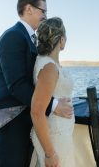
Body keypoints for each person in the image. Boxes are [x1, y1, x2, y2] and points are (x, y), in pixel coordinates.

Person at [0, 0, 73, 167]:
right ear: (29, 9)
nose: (45, 16)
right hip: (9, 125)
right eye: (44, 11)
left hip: (25, 122)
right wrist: (54, 105)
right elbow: (17, 85)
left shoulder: (27, 38)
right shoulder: (12, 37)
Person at [30, 17, 75, 167]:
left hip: (61, 133)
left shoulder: (47, 62)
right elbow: (36, 112)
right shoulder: (49, 67)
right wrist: (50, 153)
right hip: (55, 138)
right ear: (61, 39)